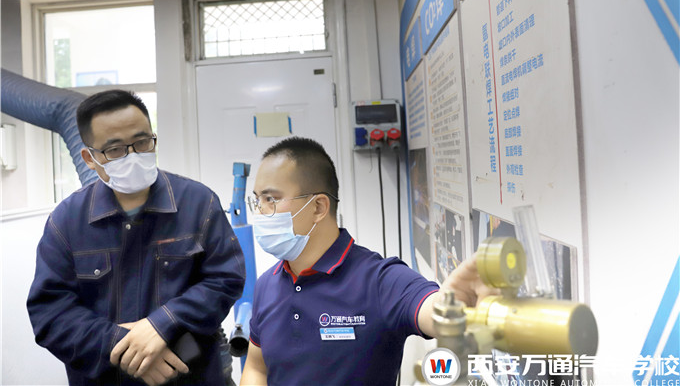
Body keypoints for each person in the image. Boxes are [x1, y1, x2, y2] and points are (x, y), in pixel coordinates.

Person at [27, 90, 246, 385]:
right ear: (90, 158)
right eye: (115, 149)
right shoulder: (67, 220)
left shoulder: (198, 203)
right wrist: (124, 347)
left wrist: (161, 325)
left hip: (188, 374)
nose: (133, 156)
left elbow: (225, 280)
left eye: (142, 143)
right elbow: (51, 313)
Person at [240, 137, 496, 386]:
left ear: (318, 207)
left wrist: (454, 304)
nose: (259, 211)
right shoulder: (266, 284)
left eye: (270, 199)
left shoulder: (379, 280)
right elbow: (256, 367)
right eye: (257, 199)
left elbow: (429, 308)